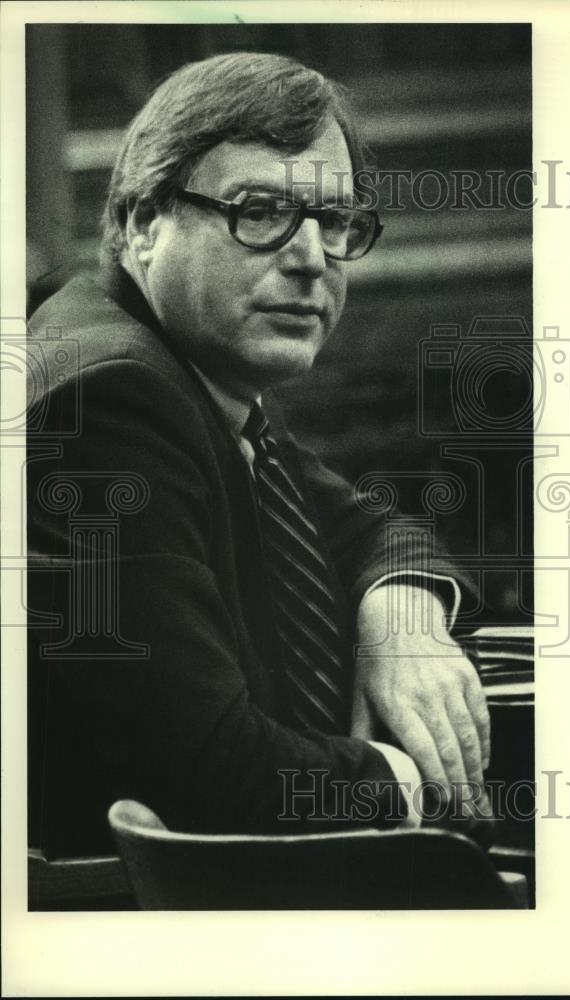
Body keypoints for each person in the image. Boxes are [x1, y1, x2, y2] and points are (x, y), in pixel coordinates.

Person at [26, 52, 492, 860]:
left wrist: (402, 615)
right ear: (144, 223)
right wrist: (416, 781)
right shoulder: (109, 399)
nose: (312, 256)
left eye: (335, 221)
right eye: (261, 210)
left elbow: (362, 524)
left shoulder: (170, 363)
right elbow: (210, 775)